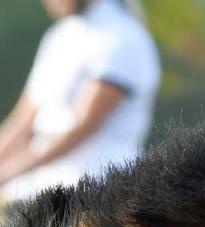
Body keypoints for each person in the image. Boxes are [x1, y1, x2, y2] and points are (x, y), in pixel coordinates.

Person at [0, 0, 160, 204]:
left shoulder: (123, 37)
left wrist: (8, 172)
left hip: (97, 194)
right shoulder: (58, 37)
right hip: (41, 188)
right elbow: (23, 121)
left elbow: (81, 127)